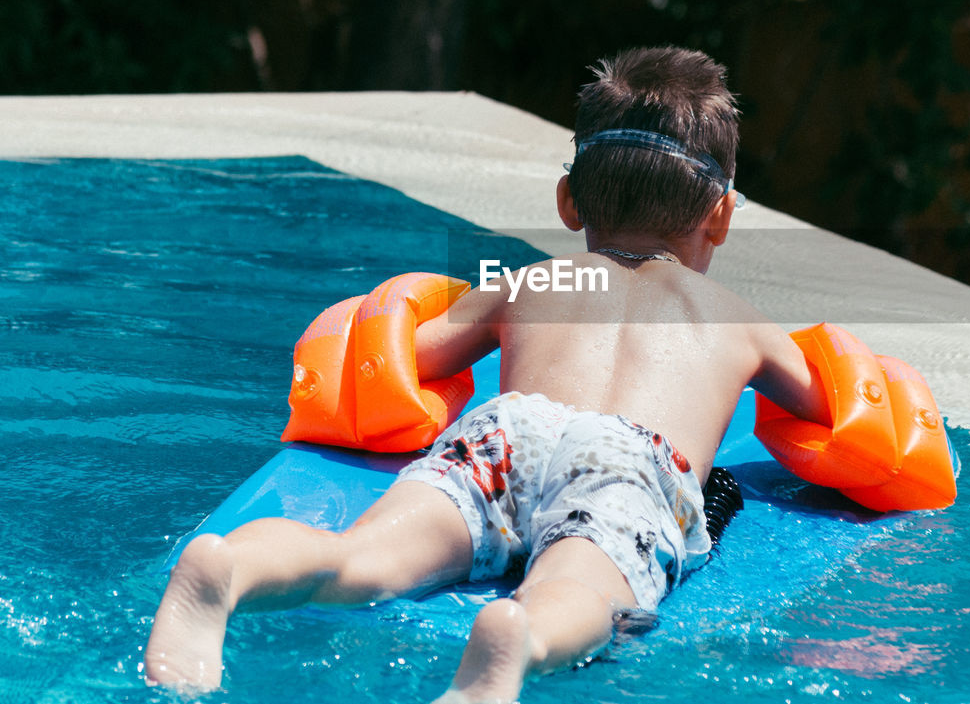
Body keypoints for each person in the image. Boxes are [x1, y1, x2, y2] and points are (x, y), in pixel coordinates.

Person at [144, 46, 827, 702]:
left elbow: (410, 357)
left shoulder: (527, 283)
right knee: (586, 589)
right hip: (629, 463)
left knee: (363, 553)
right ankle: (519, 637)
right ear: (721, 217)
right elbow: (829, 409)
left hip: (509, 432)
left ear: (568, 201)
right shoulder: (737, 320)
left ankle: (230, 568)